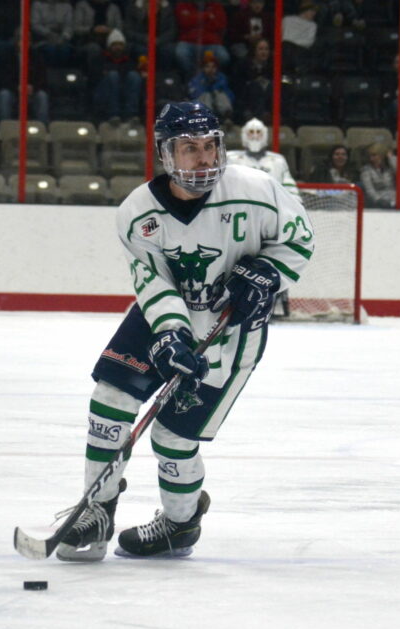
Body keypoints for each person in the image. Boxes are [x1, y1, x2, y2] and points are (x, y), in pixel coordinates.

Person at [55, 101, 312, 561]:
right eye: (190, 148)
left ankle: (180, 523)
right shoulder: (138, 213)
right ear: (166, 153)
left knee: (171, 438)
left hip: (231, 332)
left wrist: (268, 275)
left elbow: (299, 239)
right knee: (110, 400)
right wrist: (170, 332)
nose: (205, 158)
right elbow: (153, 282)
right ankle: (96, 512)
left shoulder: (258, 190)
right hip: (160, 318)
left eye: (211, 146)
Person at [225, 117, 299, 199]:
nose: (255, 136)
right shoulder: (231, 159)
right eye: (251, 132)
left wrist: (297, 205)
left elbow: (290, 190)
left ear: (265, 135)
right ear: (244, 135)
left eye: (258, 132)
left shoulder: (278, 160)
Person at [91, 29, 142, 124]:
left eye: (120, 44)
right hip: (103, 94)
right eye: (115, 44)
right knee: (113, 75)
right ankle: (113, 114)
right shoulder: (100, 59)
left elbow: (130, 73)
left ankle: (131, 114)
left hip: (122, 90)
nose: (118, 47)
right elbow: (94, 78)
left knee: (134, 76)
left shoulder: (129, 60)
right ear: (109, 46)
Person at [175, 0, 230, 78]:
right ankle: (192, 79)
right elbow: (184, 22)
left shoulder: (216, 6)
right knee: (181, 53)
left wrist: (193, 19)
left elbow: (220, 25)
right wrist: (207, 16)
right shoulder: (182, 5)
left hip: (210, 43)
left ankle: (211, 79)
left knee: (223, 57)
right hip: (189, 42)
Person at [233, 37, 272, 122]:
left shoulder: (271, 67)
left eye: (266, 49)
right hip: (247, 107)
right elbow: (239, 90)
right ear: (254, 51)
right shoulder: (243, 66)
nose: (264, 52)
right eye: (261, 49)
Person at [187, 51, 235, 121]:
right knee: (206, 96)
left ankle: (226, 118)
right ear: (203, 68)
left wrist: (215, 88)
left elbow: (229, 94)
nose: (210, 69)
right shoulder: (198, 79)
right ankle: (207, 118)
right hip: (204, 108)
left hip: (220, 106)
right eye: (207, 66)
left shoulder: (221, 78)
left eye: (213, 67)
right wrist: (207, 85)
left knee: (220, 95)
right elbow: (193, 94)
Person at [359, 142, 400, 209]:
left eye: (374, 155)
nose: (371, 159)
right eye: (370, 156)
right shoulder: (366, 170)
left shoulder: (390, 168)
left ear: (382, 155)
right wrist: (379, 200)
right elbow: (369, 190)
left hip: (394, 198)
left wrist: (391, 158)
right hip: (378, 202)